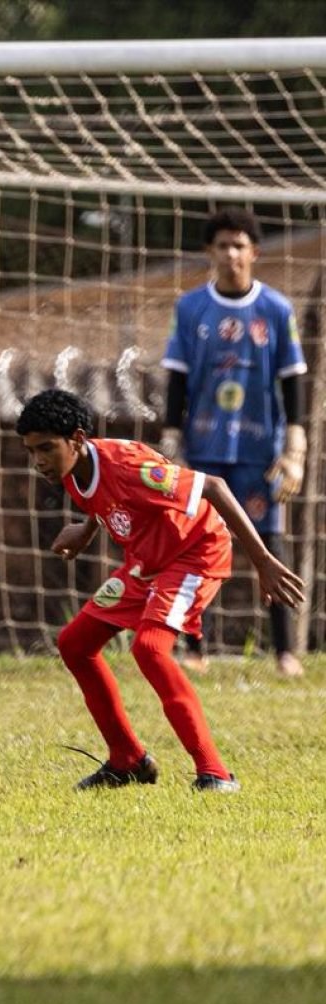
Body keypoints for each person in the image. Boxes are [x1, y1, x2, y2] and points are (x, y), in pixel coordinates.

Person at [17, 388, 303, 793]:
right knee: (74, 643)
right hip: (146, 563)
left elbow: (214, 487)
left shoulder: (127, 465)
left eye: (46, 448)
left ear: (78, 439)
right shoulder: (72, 470)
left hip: (194, 554)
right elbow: (107, 501)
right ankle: (127, 760)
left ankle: (215, 773)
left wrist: (263, 561)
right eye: (31, 451)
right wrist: (85, 530)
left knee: (150, 648)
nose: (38, 460)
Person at [159, 207, 308, 677]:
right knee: (194, 546)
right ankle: (194, 649)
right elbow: (177, 378)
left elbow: (292, 379)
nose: (231, 254)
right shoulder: (190, 308)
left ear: (254, 252)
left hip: (261, 452)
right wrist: (171, 434)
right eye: (222, 245)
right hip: (204, 448)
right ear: (210, 251)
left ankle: (284, 651)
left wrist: (296, 444)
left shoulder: (276, 310)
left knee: (269, 543)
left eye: (239, 245)